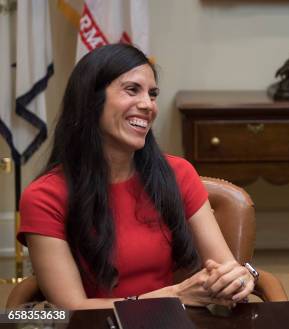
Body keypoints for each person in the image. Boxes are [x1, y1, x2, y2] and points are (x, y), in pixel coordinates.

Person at [17, 44, 257, 309]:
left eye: (152, 94)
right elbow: (72, 309)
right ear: (90, 100)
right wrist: (172, 297)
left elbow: (223, 267)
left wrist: (238, 278)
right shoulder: (44, 196)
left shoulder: (179, 174)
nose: (147, 105)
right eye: (132, 90)